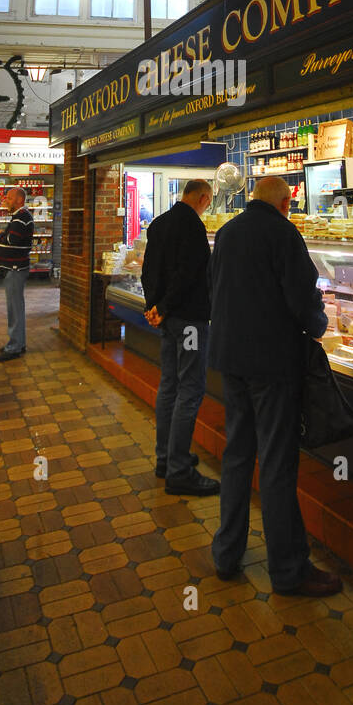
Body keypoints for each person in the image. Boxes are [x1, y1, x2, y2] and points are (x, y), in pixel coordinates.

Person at [208, 176, 343, 597]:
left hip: (231, 358)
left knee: (237, 455)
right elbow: (303, 298)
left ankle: (226, 554)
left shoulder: (227, 232)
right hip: (271, 363)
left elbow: (216, 287)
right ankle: (288, 570)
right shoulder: (284, 233)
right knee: (277, 463)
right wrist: (319, 325)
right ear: (286, 203)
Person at [141, 178, 219, 496]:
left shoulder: (159, 223)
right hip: (189, 322)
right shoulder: (194, 227)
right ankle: (179, 471)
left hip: (169, 320)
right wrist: (165, 306)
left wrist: (154, 307)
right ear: (202, 198)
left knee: (169, 386)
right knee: (190, 389)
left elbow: (148, 271)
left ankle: (166, 458)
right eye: (208, 202)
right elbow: (188, 276)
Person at [0, 186, 34, 362]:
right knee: (15, 307)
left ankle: (14, 347)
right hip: (13, 268)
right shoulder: (18, 216)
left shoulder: (21, 218)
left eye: (9, 198)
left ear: (19, 200)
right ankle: (18, 342)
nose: (6, 201)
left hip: (15, 269)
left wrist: (0, 235)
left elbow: (13, 240)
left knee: (14, 309)